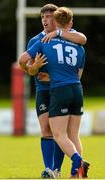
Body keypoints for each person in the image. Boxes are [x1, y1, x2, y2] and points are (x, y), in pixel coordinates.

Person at [19, 4, 87, 178]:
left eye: (49, 16)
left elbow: (82, 39)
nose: (45, 19)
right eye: (43, 17)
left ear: (56, 18)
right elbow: (28, 68)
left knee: (62, 133)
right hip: (44, 90)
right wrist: (34, 68)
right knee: (47, 130)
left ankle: (59, 169)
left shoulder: (70, 37)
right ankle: (50, 169)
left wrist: (53, 76)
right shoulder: (36, 41)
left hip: (58, 88)